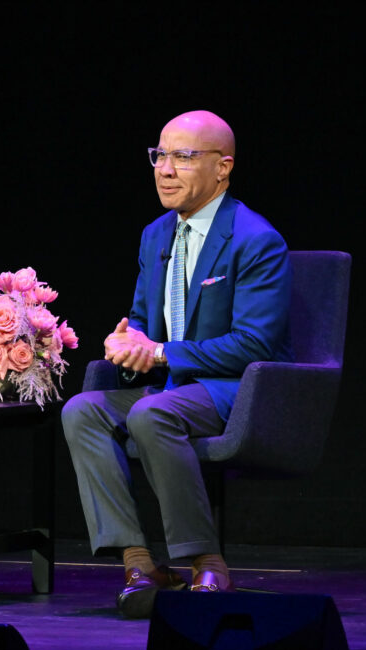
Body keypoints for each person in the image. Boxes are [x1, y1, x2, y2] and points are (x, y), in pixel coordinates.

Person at [61, 111, 292, 618]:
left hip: (236, 389)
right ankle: (139, 564)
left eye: (183, 157)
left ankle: (207, 562)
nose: (165, 169)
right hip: (173, 386)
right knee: (82, 409)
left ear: (223, 167)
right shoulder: (156, 235)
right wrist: (129, 347)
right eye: (159, 155)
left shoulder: (255, 240)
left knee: (151, 414)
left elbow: (255, 344)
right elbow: (145, 323)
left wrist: (163, 352)